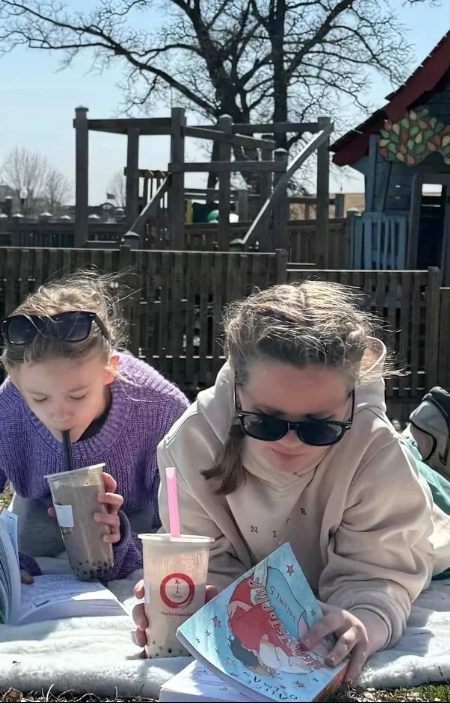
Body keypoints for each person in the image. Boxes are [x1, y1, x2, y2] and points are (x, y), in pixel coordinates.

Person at [131, 282, 450, 684]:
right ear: (236, 393)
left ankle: (427, 444)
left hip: (421, 506)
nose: (290, 441)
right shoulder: (193, 441)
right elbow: (212, 568)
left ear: (352, 400)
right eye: (265, 421)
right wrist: (193, 600)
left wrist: (365, 622)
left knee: (430, 482)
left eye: (319, 427)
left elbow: (382, 573)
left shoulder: (376, 447)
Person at [0, 272, 188, 580]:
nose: (60, 415)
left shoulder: (161, 408)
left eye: (78, 395)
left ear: (110, 369)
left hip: (140, 531)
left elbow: (181, 528)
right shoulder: (2, 418)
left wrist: (120, 541)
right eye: (39, 398)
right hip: (38, 531)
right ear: (13, 379)